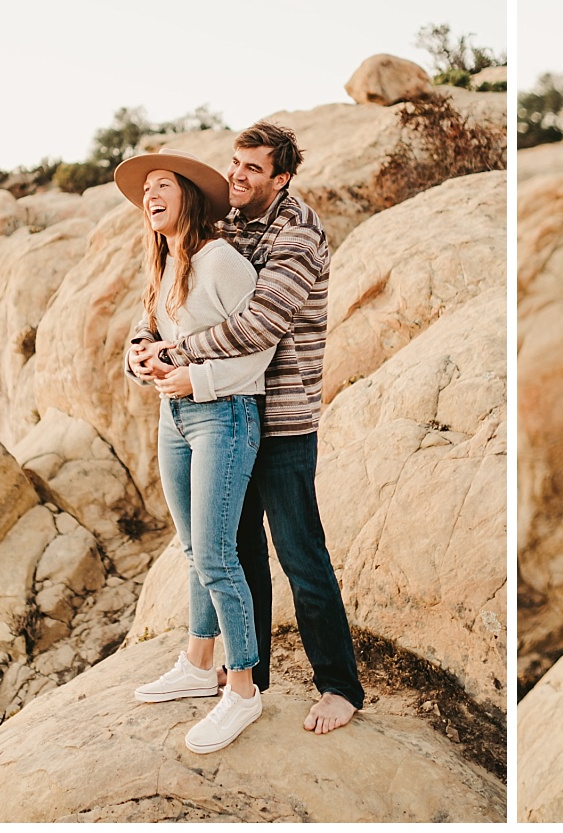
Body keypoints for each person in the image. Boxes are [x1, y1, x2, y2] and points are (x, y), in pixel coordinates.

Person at [129, 121, 365, 734]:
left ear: (280, 178)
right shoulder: (225, 223)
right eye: (236, 162)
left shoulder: (299, 232)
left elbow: (260, 324)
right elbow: (172, 295)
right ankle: (248, 677)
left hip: (281, 413)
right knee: (238, 549)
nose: (237, 175)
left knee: (300, 552)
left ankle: (339, 687)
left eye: (253, 168)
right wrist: (144, 349)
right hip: (228, 409)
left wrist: (179, 356)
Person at [119, 148, 276, 754]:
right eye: (146, 190)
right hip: (174, 418)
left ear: (188, 195)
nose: (150, 195)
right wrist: (139, 361)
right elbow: (148, 337)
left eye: (162, 185)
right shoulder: (163, 264)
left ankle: (242, 690)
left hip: (225, 417)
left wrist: (198, 381)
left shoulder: (221, 261)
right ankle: (197, 663)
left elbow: (260, 351)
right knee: (192, 551)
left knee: (216, 554)